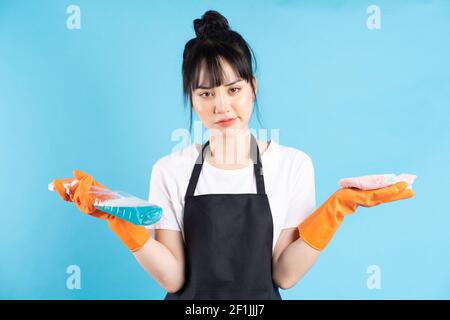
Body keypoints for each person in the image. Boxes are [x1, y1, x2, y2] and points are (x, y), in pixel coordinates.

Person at [53, 10, 414, 300]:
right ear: (192, 99)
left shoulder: (293, 166)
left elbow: (284, 276)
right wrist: (120, 220)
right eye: (206, 94)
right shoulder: (170, 170)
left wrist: (339, 208)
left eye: (233, 89)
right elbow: (174, 279)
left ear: (252, 88)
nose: (221, 106)